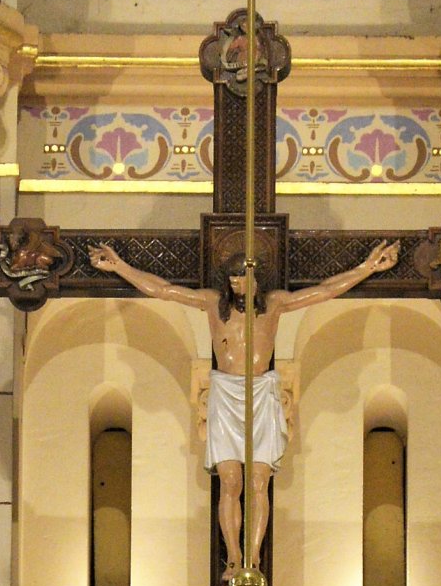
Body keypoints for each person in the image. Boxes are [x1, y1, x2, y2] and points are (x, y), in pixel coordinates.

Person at [90, 237, 399, 568]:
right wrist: (119, 266)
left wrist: (368, 267)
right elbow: (164, 290)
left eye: (242, 277)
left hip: (261, 393)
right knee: (230, 481)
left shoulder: (275, 304)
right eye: (232, 278)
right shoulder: (212, 305)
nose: (236, 284)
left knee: (258, 482)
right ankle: (234, 560)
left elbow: (323, 291)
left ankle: (253, 559)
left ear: (256, 277)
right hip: (225, 393)